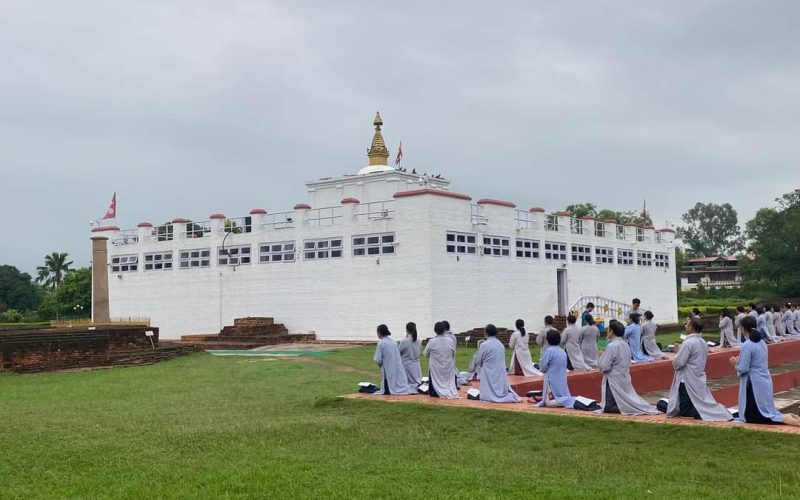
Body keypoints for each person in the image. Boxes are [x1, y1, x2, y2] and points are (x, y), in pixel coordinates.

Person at [729, 316, 800, 426]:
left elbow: (743, 368)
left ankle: (785, 418)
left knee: (756, 416)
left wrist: (736, 363)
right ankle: (786, 416)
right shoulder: (762, 343)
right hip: (764, 380)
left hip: (753, 384)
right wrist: (740, 362)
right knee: (765, 410)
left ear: (743, 329)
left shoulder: (747, 345)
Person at [666, 318, 732, 421]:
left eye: (687, 324)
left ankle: (709, 413)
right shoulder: (703, 342)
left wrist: (677, 354)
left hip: (687, 380)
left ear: (691, 327)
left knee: (685, 409)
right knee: (698, 402)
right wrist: (680, 352)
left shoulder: (688, 343)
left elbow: (679, 362)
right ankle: (712, 411)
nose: (685, 326)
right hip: (698, 377)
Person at [598, 320, 658, 415]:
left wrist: (601, 356)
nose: (607, 332)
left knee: (608, 406)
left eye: (608, 330)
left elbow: (605, 366)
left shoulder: (612, 346)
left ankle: (627, 408)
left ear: (612, 331)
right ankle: (628, 407)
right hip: (624, 377)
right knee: (624, 399)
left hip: (613, 379)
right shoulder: (625, 344)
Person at [473, 324, 521, 403]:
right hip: (499, 372)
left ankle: (489, 396)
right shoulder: (500, 344)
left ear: (486, 333)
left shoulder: (484, 345)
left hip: (488, 371)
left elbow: (478, 361)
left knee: (488, 394)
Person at [533, 330, 576, 408]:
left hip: (551, 379)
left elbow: (543, 366)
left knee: (547, 403)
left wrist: (542, 368)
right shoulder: (562, 351)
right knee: (560, 394)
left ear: (547, 340)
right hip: (562, 379)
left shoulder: (549, 351)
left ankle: (565, 401)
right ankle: (565, 400)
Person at [373, 324, 416, 395]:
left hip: (388, 369)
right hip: (398, 367)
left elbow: (377, 359)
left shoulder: (381, 343)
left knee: (389, 387)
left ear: (379, 333)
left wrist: (381, 365)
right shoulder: (393, 341)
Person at [423, 322, 459, 399]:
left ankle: (435, 391)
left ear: (435, 330)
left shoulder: (432, 341)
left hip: (435, 367)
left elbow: (425, 354)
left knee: (433, 378)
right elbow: (453, 354)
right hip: (447, 367)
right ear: (444, 330)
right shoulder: (450, 341)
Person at [398, 322, 422, 387]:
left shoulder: (404, 341)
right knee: (417, 383)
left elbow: (398, 352)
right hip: (416, 366)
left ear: (407, 330)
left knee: (409, 384)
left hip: (407, 366)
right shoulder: (419, 341)